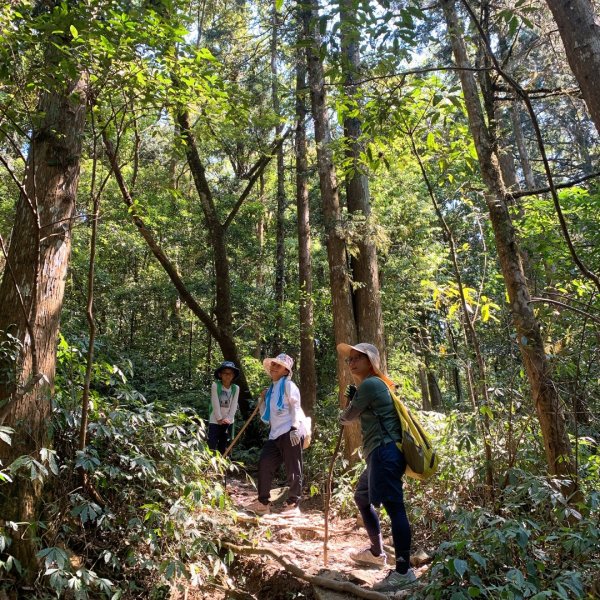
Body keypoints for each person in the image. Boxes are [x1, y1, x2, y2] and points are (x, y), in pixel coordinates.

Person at [337, 342, 416, 592]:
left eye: (357, 358)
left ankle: (404, 571)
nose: (351, 363)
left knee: (395, 508)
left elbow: (347, 417)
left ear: (370, 362)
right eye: (349, 359)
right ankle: (375, 551)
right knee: (362, 496)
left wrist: (349, 405)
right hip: (379, 453)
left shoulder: (371, 384)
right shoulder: (373, 385)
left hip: (384, 451)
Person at [245, 353, 303, 517]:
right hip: (275, 435)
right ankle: (263, 503)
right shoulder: (270, 390)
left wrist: (295, 427)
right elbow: (266, 417)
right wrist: (262, 400)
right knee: (265, 464)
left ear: (286, 371)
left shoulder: (289, 386)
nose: (274, 367)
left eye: (278, 365)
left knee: (293, 468)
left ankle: (293, 504)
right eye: (273, 365)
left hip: (290, 431)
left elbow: (296, 407)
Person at [208, 361, 240, 454]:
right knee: (212, 443)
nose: (228, 375)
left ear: (233, 375)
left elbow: (234, 405)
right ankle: (211, 464)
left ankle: (223, 465)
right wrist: (219, 418)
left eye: (230, 373)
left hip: (228, 421)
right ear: (220, 374)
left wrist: (228, 419)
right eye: (225, 373)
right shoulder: (216, 385)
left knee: (224, 444)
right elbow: (215, 403)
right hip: (215, 419)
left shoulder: (235, 388)